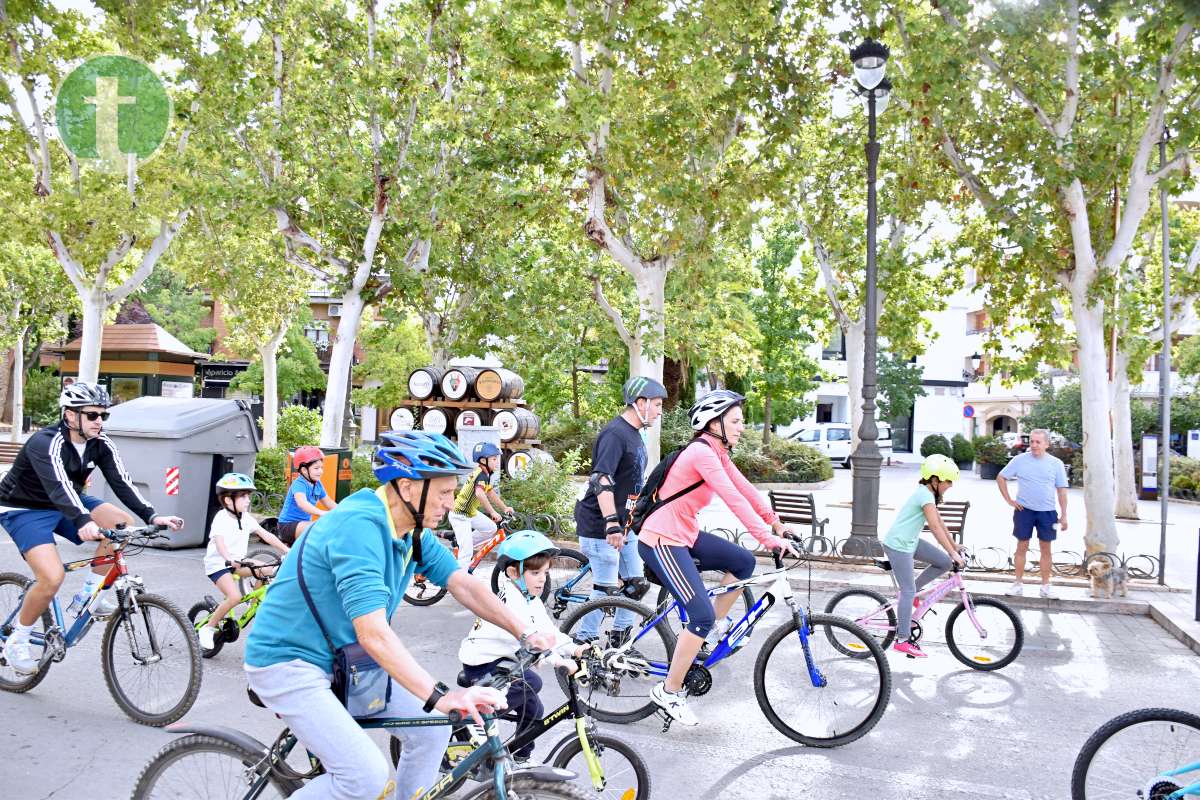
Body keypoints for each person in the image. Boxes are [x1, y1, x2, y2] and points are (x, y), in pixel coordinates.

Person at [243, 430, 558, 800]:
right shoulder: (359, 527)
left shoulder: (413, 533)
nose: (451, 502)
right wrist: (441, 695)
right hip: (290, 662)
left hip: (347, 661)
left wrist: (526, 631)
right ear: (408, 488)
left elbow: (464, 583)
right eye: (443, 492)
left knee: (434, 727)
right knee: (365, 778)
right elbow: (373, 633)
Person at [638, 390, 798, 727]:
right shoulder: (701, 453)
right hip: (662, 540)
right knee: (699, 615)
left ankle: (706, 634)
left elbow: (746, 491)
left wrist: (775, 523)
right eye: (736, 421)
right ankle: (669, 691)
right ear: (715, 423)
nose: (742, 427)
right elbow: (732, 501)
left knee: (742, 562)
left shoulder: (717, 452)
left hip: (685, 535)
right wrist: (767, 539)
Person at [0, 382, 183, 674]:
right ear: (71, 416)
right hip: (24, 507)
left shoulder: (101, 443)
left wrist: (152, 515)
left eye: (103, 415)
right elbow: (59, 487)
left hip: (67, 500)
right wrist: (83, 521)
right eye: (93, 415)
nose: (100, 421)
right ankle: (18, 640)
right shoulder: (47, 442)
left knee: (122, 525)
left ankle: (88, 596)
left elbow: (121, 481)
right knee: (51, 577)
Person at [458, 530, 584, 763]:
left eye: (545, 572)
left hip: (506, 663)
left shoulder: (529, 599)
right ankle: (475, 719)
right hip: (484, 664)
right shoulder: (512, 603)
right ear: (513, 572)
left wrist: (575, 649)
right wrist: (559, 661)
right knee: (532, 682)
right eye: (535, 572)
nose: (542, 579)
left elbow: (549, 632)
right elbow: (535, 642)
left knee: (534, 711)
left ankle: (520, 758)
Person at [572, 376, 666, 646]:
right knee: (605, 589)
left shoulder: (634, 434)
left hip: (624, 524)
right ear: (640, 402)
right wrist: (611, 523)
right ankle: (583, 642)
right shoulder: (615, 434)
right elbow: (602, 479)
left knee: (637, 585)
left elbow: (632, 482)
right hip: (600, 524)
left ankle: (620, 642)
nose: (660, 411)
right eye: (657, 405)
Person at [880, 454, 966, 659]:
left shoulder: (927, 494)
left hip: (910, 541)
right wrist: (954, 553)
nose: (950, 486)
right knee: (907, 591)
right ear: (935, 480)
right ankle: (902, 640)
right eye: (947, 482)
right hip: (898, 545)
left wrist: (954, 547)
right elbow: (934, 528)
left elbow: (940, 522)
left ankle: (913, 594)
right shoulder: (924, 496)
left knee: (944, 562)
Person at [197, 473, 291, 651]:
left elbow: (267, 535)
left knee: (269, 570)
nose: (248, 500)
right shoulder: (221, 518)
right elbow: (220, 542)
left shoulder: (246, 518)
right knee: (234, 597)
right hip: (219, 565)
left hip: (240, 562)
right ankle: (208, 628)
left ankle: (255, 604)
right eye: (243, 496)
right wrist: (228, 559)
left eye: (248, 495)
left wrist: (289, 551)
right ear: (228, 500)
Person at [997, 428, 1069, 599]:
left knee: (1046, 549)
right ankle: (1018, 584)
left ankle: (1045, 586)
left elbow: (1062, 491)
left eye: (1038, 442)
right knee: (1021, 547)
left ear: (1046, 444)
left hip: (1047, 512)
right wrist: (1009, 500)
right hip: (1024, 511)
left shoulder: (1056, 463)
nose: (1034, 445)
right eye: (1032, 441)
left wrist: (1064, 514)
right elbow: (1001, 477)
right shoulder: (1019, 460)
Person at [448, 441, 513, 571]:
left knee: (490, 528)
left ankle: (463, 544)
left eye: (497, 459)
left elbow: (489, 492)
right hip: (460, 515)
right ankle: (461, 582)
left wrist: (504, 508)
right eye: (494, 459)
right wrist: (493, 512)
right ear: (483, 460)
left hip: (469, 512)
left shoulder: (485, 473)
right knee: (466, 554)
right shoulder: (481, 474)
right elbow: (480, 493)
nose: (496, 462)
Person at [276, 445, 337, 544]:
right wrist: (321, 513)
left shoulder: (318, 485)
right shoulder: (299, 484)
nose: (320, 471)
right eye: (316, 468)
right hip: (288, 525)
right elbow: (302, 504)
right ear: (304, 470)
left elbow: (330, 503)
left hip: (302, 525)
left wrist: (345, 511)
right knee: (319, 530)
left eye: (321, 468)